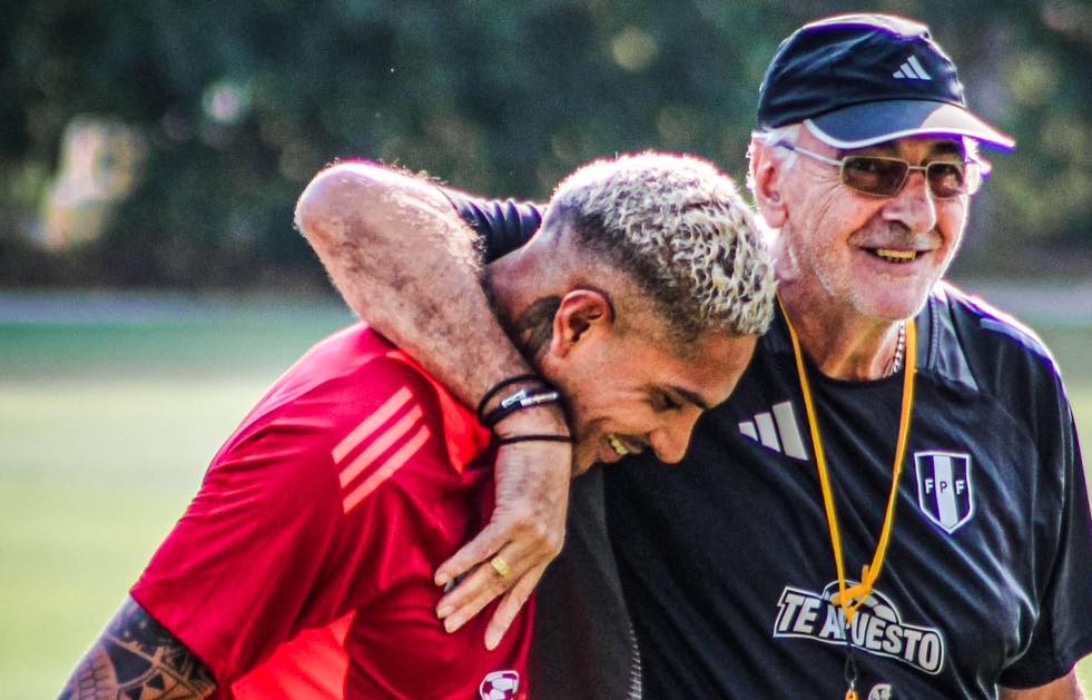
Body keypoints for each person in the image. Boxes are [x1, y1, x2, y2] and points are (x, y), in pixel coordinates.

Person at [300, 13, 1092, 699]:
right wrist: (529, 416)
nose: (916, 210)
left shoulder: (1015, 379)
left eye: (946, 175)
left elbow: (1041, 680)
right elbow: (349, 209)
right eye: (873, 171)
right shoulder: (673, 305)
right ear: (767, 177)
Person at [56, 151, 777, 700]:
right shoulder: (350, 442)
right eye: (665, 402)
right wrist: (530, 418)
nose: (673, 446)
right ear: (579, 322)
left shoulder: (570, 400)